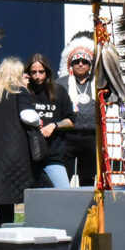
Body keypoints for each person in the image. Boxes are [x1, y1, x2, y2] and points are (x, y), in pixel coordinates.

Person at [0, 58, 37, 226]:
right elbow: (28, 117)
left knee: (3, 204)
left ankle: (1, 234)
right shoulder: (19, 92)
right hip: (16, 155)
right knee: (39, 191)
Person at [24, 53, 73, 188]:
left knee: (63, 193)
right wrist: (22, 87)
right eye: (33, 72)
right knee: (30, 197)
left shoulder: (58, 91)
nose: (37, 76)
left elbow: (71, 120)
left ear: (47, 72)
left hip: (53, 157)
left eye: (41, 72)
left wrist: (54, 125)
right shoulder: (24, 93)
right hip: (28, 157)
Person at [58, 35, 97, 185]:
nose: (80, 64)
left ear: (90, 65)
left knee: (88, 180)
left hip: (91, 137)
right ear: (71, 64)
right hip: (67, 137)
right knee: (63, 178)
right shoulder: (60, 84)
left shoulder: (98, 83)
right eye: (76, 61)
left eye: (85, 61)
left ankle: (87, 202)